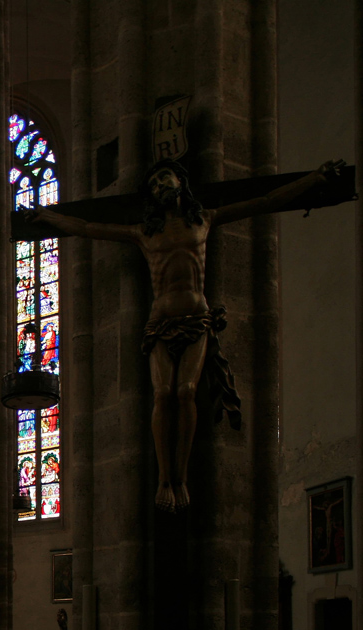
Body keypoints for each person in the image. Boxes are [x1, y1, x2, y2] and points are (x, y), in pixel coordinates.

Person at [32, 158, 344, 512]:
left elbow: (267, 201)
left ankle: (180, 477)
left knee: (186, 391)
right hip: (159, 324)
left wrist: (314, 177)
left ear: (181, 181)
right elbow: (87, 226)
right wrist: (48, 217)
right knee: (163, 394)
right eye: (153, 184)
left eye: (164, 177)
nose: (160, 185)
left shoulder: (205, 219)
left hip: (197, 319)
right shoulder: (144, 232)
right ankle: (165, 478)